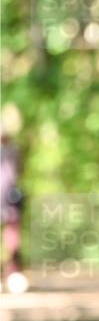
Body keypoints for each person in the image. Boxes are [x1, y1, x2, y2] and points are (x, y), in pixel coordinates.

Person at [1, 124, 29, 294]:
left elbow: (18, 171)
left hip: (9, 200)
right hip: (8, 200)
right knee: (12, 238)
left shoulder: (13, 151)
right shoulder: (15, 151)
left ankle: (13, 273)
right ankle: (11, 273)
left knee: (12, 240)